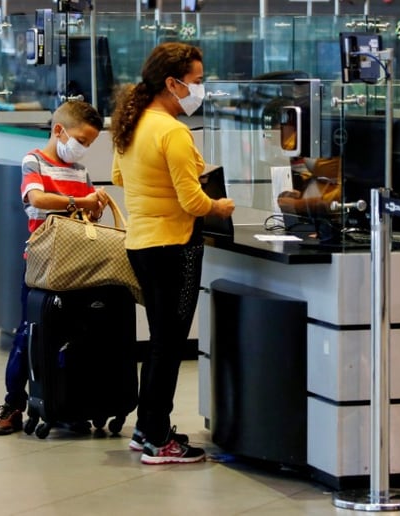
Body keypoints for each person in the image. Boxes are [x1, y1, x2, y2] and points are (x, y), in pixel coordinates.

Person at [109, 42, 234, 464]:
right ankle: (157, 437)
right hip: (175, 248)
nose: (200, 90)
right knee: (168, 343)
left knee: (160, 340)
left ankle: (147, 428)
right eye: (196, 82)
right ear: (172, 83)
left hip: (140, 243)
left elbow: (117, 177)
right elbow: (194, 203)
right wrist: (219, 206)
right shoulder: (173, 131)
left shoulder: (132, 123)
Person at [0, 100, 109, 435]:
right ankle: (13, 403)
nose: (83, 149)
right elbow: (36, 199)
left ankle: (67, 403)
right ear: (59, 131)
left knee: (73, 334)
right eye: (81, 141)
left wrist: (94, 205)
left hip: (76, 266)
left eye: (89, 144)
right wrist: (78, 201)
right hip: (42, 266)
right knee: (29, 333)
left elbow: (88, 216)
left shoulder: (80, 172)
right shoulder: (34, 161)